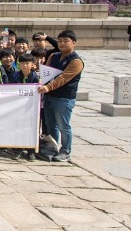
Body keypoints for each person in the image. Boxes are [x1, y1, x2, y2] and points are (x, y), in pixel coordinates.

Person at [38, 30, 84, 163]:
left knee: (63, 125)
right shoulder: (54, 56)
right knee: (51, 124)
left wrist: (47, 87)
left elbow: (63, 79)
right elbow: (46, 73)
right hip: (49, 96)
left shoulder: (76, 61)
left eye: (66, 41)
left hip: (64, 98)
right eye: (60, 41)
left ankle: (66, 150)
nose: (62, 44)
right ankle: (52, 147)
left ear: (73, 43)